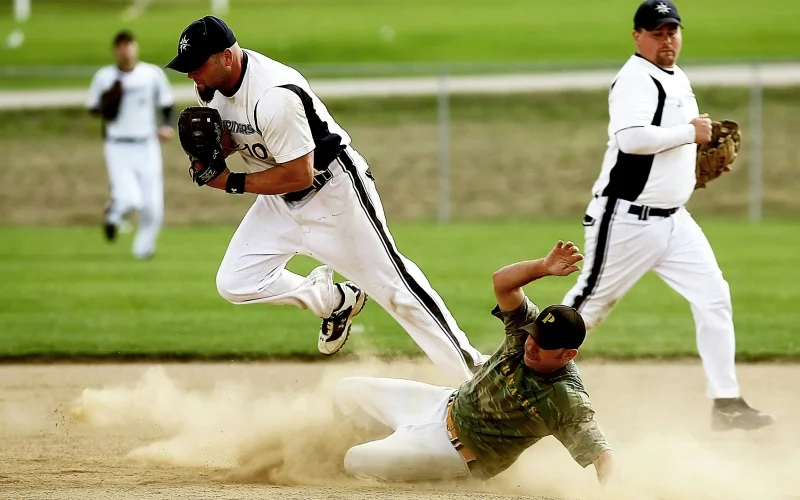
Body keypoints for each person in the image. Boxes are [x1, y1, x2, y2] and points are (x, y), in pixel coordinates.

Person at [163, 16, 486, 380]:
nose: (191, 75)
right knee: (236, 281)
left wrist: (229, 181)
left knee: (395, 288)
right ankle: (336, 301)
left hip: (334, 194)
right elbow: (233, 140)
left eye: (196, 65)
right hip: (279, 200)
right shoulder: (210, 87)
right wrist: (209, 156)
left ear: (226, 56)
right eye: (185, 68)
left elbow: (299, 173)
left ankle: (474, 370)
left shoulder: (274, 96)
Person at [560, 0, 775, 430]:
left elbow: (668, 147)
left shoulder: (676, 77)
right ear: (637, 36)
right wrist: (690, 133)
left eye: (672, 31)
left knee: (714, 298)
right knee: (586, 309)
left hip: (674, 219)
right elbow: (632, 139)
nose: (666, 40)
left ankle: (726, 403)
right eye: (657, 32)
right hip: (626, 219)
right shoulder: (635, 80)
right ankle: (510, 370)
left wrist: (689, 166)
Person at [333, 240, 614, 486]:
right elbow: (502, 282)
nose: (533, 346)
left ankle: (415, 463)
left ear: (567, 355)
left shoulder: (564, 396)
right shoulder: (523, 332)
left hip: (454, 452)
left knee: (354, 459)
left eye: (545, 346)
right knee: (346, 392)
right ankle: (394, 441)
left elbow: (602, 455)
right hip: (442, 403)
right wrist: (542, 266)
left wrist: (613, 493)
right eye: (534, 337)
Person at [86, 30, 175, 260]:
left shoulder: (151, 75)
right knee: (131, 199)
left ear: (136, 47)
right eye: (121, 46)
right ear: (115, 50)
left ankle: (142, 249)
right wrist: (109, 103)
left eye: (129, 45)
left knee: (153, 205)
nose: (126, 50)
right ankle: (113, 215)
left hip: (147, 144)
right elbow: (94, 108)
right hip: (118, 145)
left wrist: (166, 126)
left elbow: (166, 103)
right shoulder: (105, 77)